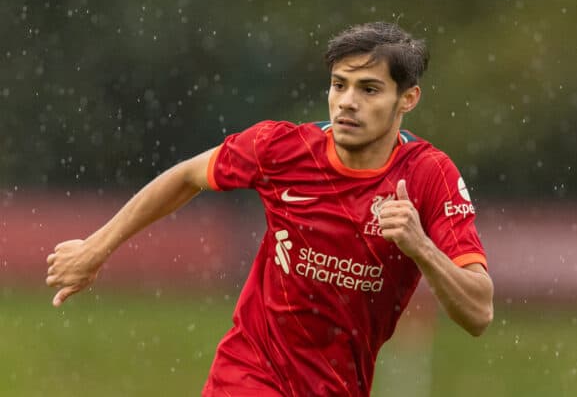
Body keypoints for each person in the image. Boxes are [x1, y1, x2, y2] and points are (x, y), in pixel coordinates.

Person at [46, 22, 493, 396]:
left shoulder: (429, 175)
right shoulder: (281, 147)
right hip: (247, 375)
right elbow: (185, 175)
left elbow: (478, 313)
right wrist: (95, 250)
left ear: (407, 99)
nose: (347, 102)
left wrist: (421, 248)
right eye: (339, 85)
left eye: (369, 89)